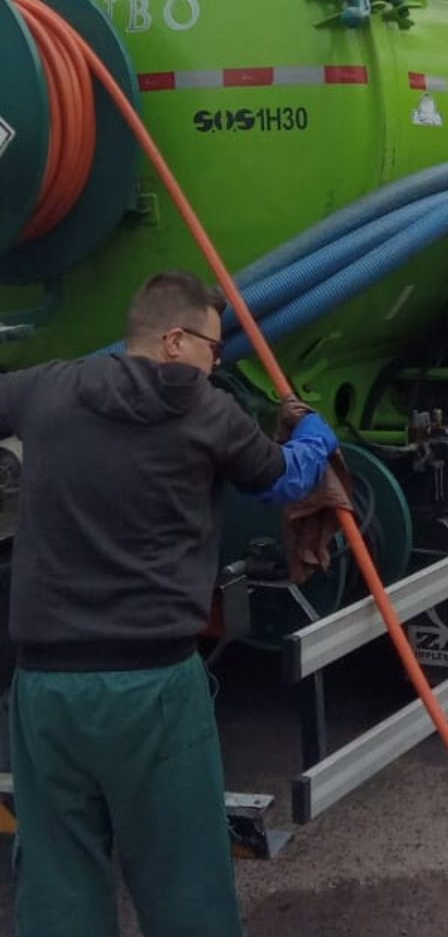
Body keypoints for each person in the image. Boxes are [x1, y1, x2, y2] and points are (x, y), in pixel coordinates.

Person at [0, 270, 338, 937]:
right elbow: (286, 480)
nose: (218, 364)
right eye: (215, 349)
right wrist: (315, 432)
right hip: (152, 687)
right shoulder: (207, 413)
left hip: (46, 691)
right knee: (186, 884)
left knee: (58, 886)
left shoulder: (47, 388)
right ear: (176, 340)